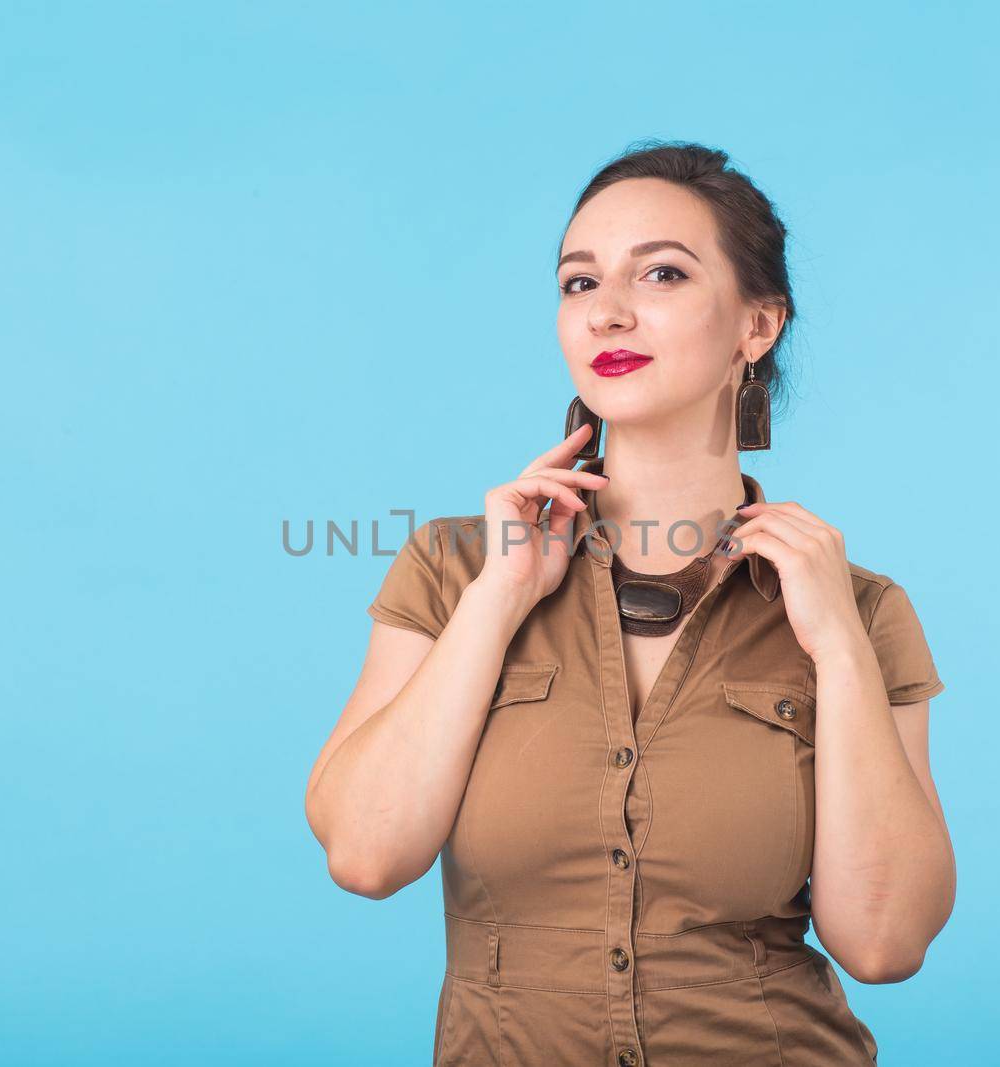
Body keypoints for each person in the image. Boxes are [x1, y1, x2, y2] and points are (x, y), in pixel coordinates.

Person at [304, 140, 953, 1066]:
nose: (608, 312)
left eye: (662, 273)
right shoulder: (454, 567)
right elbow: (365, 857)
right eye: (578, 284)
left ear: (756, 324)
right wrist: (500, 597)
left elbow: (885, 944)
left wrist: (839, 650)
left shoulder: (861, 610)